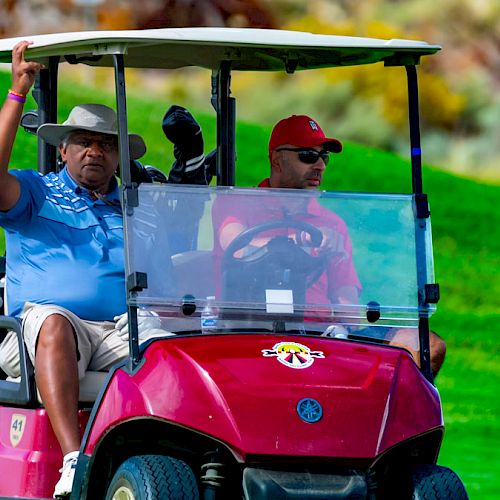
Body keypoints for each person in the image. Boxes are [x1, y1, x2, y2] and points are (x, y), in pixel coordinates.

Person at [0, 41, 177, 498]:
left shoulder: (136, 208)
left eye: (106, 143)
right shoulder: (35, 192)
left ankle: (171, 462)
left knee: (172, 351)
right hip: (39, 332)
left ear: (120, 157)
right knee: (56, 322)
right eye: (83, 142)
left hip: (119, 328)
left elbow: (166, 278)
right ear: (63, 151)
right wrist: (18, 92)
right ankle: (75, 461)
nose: (94, 151)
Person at [213, 114, 446, 376]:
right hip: (247, 326)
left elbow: (348, 306)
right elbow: (239, 244)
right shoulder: (237, 203)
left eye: (324, 157)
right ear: (277, 159)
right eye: (308, 156)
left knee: (428, 345)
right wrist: (299, 241)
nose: (320, 166)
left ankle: (383, 414)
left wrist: (349, 316)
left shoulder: (331, 223)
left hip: (323, 335)